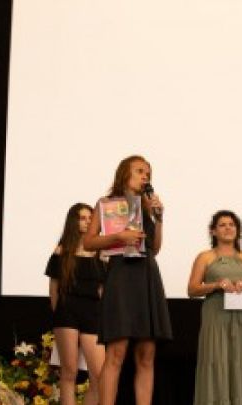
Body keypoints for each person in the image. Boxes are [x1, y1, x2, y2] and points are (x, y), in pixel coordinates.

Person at [83, 155, 173, 405]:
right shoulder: (106, 204)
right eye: (140, 171)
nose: (145, 176)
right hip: (121, 275)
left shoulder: (146, 205)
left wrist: (159, 219)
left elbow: (155, 248)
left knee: (146, 354)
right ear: (125, 173)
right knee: (116, 352)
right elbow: (88, 242)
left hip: (146, 276)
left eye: (148, 173)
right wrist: (119, 237)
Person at [187, 210, 242, 405]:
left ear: (238, 230)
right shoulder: (205, 257)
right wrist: (216, 285)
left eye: (232, 224)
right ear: (213, 231)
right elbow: (192, 289)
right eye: (222, 225)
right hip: (217, 319)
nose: (228, 228)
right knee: (217, 362)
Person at [45, 203, 107, 405]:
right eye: (83, 218)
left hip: (93, 312)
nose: (88, 221)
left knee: (99, 375)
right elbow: (54, 289)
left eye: (90, 218)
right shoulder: (61, 251)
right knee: (69, 371)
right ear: (74, 221)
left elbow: (104, 289)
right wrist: (59, 315)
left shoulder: (101, 252)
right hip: (67, 312)